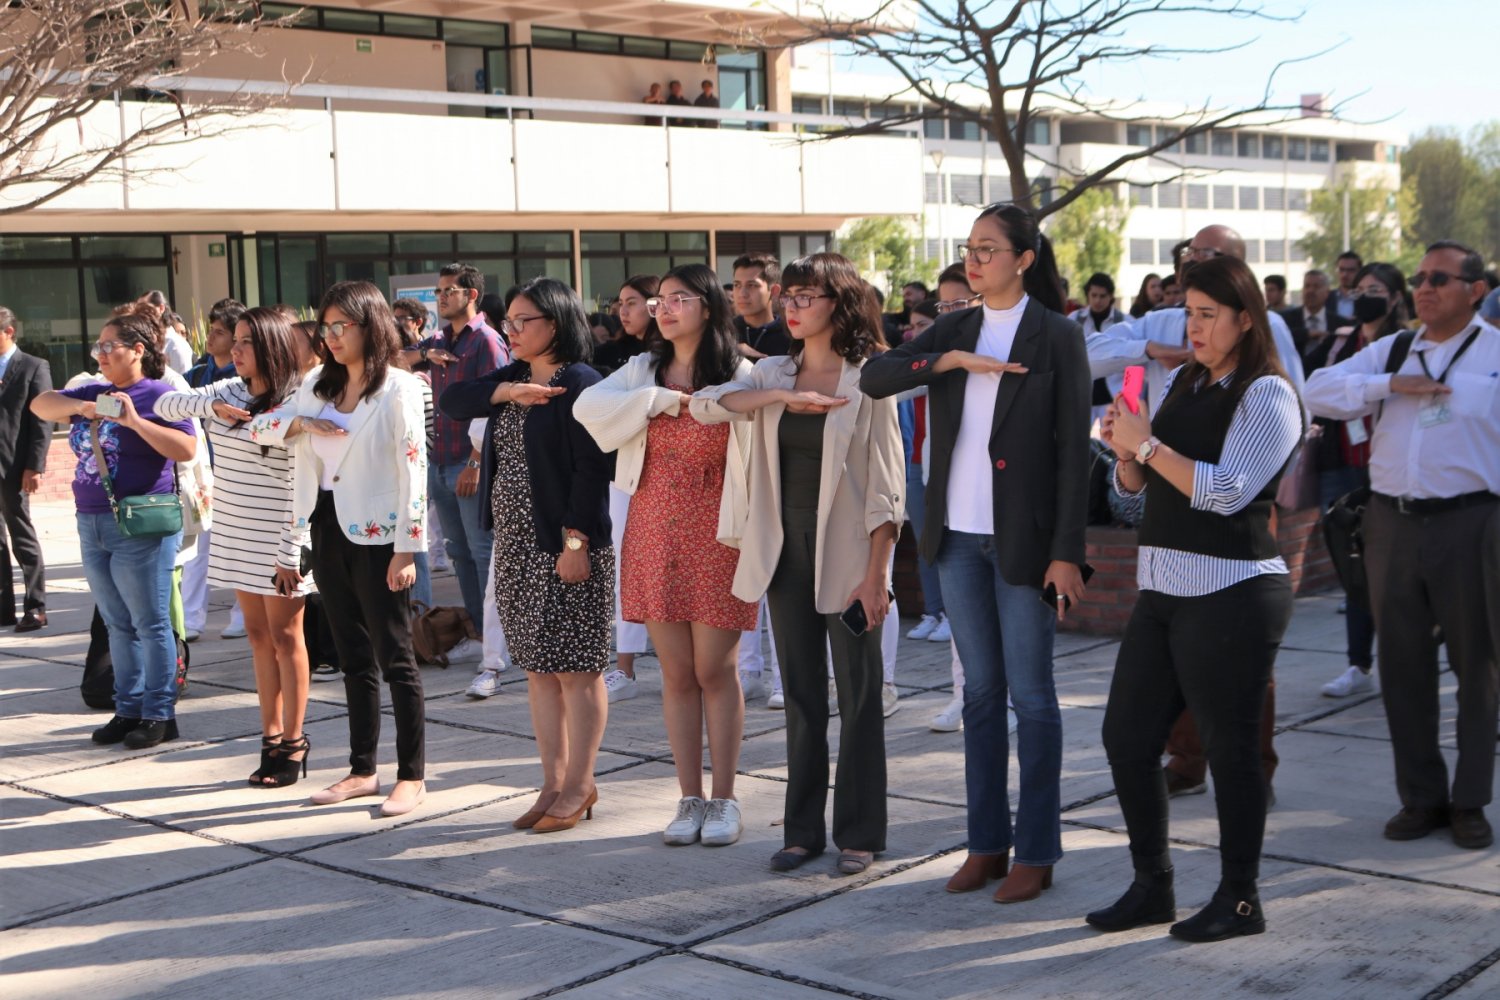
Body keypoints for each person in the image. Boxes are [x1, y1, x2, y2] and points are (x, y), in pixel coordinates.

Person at [861, 202, 1092, 904]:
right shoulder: (956, 327)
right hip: (955, 539)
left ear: (1024, 259)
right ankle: (986, 845)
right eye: (969, 247)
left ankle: (1037, 851)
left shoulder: (1057, 334)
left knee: (1033, 698)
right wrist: (949, 359)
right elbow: (876, 376)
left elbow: (1073, 453)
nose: (975, 259)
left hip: (1024, 543)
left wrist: (1066, 552)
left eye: (988, 248)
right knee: (980, 696)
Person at [1088, 255, 1301, 943]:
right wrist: (1126, 458)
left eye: (1209, 315)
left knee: (1229, 751)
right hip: (1163, 589)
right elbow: (1135, 497)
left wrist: (1146, 446)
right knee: (1126, 738)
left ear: (1246, 320)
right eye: (1190, 314)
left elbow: (1229, 491)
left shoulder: (1268, 395)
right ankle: (1153, 885)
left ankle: (1241, 899)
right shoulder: (1185, 380)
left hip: (1233, 591)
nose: (1195, 327)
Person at [692, 252, 903, 875]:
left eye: (806, 296)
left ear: (839, 302)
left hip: (850, 558)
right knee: (802, 698)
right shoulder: (771, 372)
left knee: (859, 697)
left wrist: (877, 575)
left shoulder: (871, 377)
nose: (791, 306)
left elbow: (888, 486)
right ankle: (802, 831)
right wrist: (784, 395)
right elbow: (706, 403)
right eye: (788, 295)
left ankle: (860, 832)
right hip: (783, 554)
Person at [1304, 240, 1499, 852]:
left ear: (1475, 290)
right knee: (1402, 667)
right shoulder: (1392, 349)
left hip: (1471, 523)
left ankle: (1469, 801)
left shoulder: (1494, 353)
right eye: (1419, 278)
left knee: (1477, 668)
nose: (1424, 288)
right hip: (1391, 523)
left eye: (1439, 278)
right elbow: (1316, 390)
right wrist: (1390, 384)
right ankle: (1421, 797)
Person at [575, 263, 755, 848]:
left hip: (720, 530)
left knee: (715, 670)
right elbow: (587, 409)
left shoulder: (740, 372)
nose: (666, 309)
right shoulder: (642, 369)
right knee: (675, 673)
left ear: (709, 305)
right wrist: (656, 400)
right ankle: (689, 798)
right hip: (654, 526)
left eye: (680, 298)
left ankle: (725, 798)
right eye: (661, 301)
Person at [441, 277, 615, 833]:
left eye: (523, 321)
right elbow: (452, 400)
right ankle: (553, 782)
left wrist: (575, 542)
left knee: (577, 670)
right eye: (508, 322)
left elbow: (592, 471)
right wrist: (506, 393)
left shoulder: (581, 382)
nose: (511, 331)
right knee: (539, 670)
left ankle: (581, 783)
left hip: (564, 542)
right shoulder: (515, 377)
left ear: (556, 322)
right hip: (516, 543)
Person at [260, 280, 429, 818]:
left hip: (381, 535)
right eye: (325, 327)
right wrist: (298, 422)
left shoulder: (399, 387)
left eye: (342, 326)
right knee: (352, 657)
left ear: (369, 325)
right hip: (326, 527)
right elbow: (262, 428)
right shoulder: (317, 383)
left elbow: (414, 469)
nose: (331, 337)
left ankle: (412, 775)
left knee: (395, 657)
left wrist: (408, 548)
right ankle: (362, 769)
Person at [156, 307, 313, 787]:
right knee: (259, 638)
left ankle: (294, 741)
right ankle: (270, 737)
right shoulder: (227, 391)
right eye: (236, 340)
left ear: (270, 345)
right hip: (236, 534)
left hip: (282, 536)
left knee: (287, 639)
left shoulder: (299, 399)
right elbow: (165, 405)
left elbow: (302, 486)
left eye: (247, 341)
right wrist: (213, 409)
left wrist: (291, 550)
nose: (236, 349)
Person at [32, 309, 197, 749]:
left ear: (138, 350)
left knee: (150, 623)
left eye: (110, 346)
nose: (101, 355)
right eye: (98, 347)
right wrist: (80, 406)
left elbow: (186, 448)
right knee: (116, 624)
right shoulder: (95, 390)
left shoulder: (159, 394)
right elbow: (40, 404)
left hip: (140, 524)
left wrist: (135, 421)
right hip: (92, 521)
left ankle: (159, 714)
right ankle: (127, 709)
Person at [1302, 262, 1409, 699]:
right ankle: (1357, 663)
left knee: (1394, 573)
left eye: (1375, 290)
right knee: (1354, 569)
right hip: (1341, 464)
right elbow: (1312, 387)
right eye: (1360, 289)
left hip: (1387, 470)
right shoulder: (1342, 341)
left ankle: (1402, 661)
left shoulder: (1406, 346)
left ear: (1396, 297)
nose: (1365, 297)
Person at [401, 263, 507, 661]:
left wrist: (476, 463)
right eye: (439, 290)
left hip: (469, 461)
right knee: (458, 553)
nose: (442, 296)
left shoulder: (487, 341)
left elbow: (498, 407)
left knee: (482, 553)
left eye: (450, 290)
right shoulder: (440, 339)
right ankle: (478, 634)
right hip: (439, 461)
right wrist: (425, 353)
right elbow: (393, 358)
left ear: (471, 295)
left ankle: (499, 639)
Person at [599, 276, 660, 704]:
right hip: (621, 471)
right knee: (626, 567)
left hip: (668, 471)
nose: (623, 311)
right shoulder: (609, 354)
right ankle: (624, 667)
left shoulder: (671, 356)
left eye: (632, 302)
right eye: (620, 303)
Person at [179, 298, 243, 642]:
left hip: (235, 473)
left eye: (219, 332)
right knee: (197, 550)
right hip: (203, 476)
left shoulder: (243, 376)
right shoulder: (197, 373)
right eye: (211, 329)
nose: (211, 336)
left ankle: (242, 614)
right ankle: (191, 618)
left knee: (238, 547)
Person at [0, 306, 52, 633]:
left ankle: (36, 607)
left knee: (22, 537)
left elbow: (42, 421)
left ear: (8, 332)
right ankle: (3, 609)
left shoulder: (33, 366)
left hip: (15, 468)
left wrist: (34, 466)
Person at [1069, 273, 1127, 423]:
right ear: (1087, 295)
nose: (1097, 300)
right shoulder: (1074, 320)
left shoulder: (1125, 322)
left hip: (1113, 397)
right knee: (1077, 436)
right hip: (1081, 395)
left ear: (1111, 296)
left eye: (1102, 296)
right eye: (1094, 295)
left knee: (1112, 437)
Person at [732, 253, 790, 360]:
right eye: (737, 285)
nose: (742, 294)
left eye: (752, 285)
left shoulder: (791, 335)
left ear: (774, 290)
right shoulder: (723, 332)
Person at [1280, 269, 1339, 355]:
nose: (1310, 291)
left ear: (1327, 292)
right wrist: (1305, 334)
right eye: (1307, 286)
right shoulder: (1284, 320)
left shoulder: (1339, 323)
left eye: (1316, 286)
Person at [1333, 251, 1363, 321]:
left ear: (1360, 271)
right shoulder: (1326, 298)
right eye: (1341, 269)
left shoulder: (1367, 299)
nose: (1345, 274)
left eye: (1351, 270)